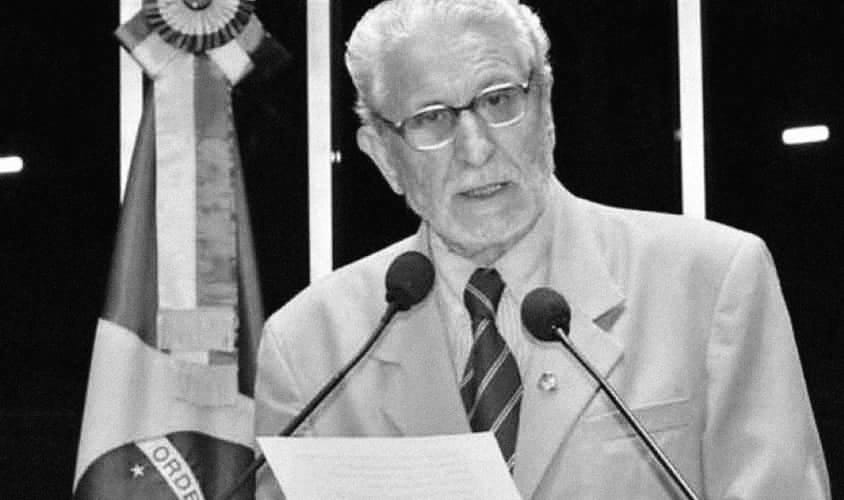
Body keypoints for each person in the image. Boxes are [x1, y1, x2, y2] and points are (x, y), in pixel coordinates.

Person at [254, 0, 830, 498]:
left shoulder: (713, 281)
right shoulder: (308, 347)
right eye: (432, 119)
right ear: (383, 156)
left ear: (546, 108)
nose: (476, 149)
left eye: (499, 101)